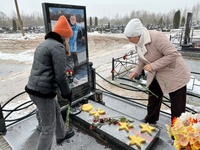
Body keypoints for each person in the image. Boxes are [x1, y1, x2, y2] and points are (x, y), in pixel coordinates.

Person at [124, 18, 191, 124]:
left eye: (130, 37)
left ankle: (178, 132)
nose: (129, 40)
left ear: (137, 34)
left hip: (174, 73)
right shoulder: (139, 43)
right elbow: (141, 58)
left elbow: (173, 54)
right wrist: (136, 70)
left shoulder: (157, 37)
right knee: (153, 97)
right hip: (156, 73)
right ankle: (151, 119)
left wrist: (153, 65)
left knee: (177, 105)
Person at [25, 15, 74, 150]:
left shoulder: (44, 44)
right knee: (48, 128)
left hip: (35, 88)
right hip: (43, 92)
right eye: (68, 37)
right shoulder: (58, 47)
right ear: (64, 36)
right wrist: (67, 93)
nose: (69, 40)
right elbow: (60, 76)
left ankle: (61, 134)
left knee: (57, 110)